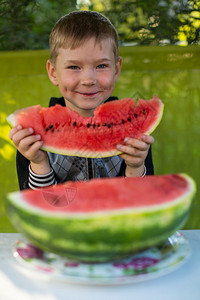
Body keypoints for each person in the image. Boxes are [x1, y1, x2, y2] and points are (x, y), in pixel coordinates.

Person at [9, 10, 154, 190]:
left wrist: (136, 167)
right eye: (74, 67)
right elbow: (43, 211)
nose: (88, 80)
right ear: (53, 73)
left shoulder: (132, 131)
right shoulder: (33, 138)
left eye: (101, 66)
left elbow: (137, 205)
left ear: (116, 70)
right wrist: (39, 163)